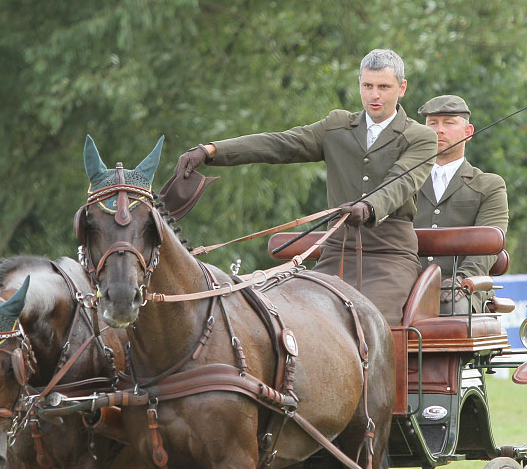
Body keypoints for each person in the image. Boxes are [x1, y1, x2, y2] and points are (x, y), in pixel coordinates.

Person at [175, 49, 437, 325]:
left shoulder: (420, 137)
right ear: (359, 83)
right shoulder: (337, 127)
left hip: (390, 256)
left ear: (402, 88)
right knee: (300, 321)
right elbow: (280, 144)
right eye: (367, 86)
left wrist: (369, 207)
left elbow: (402, 180)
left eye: (384, 87)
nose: (374, 95)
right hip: (337, 252)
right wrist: (212, 150)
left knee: (372, 323)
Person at [412, 95, 508, 313]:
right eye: (432, 123)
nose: (439, 130)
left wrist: (462, 280)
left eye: (449, 122)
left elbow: (487, 247)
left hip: (464, 289)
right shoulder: (406, 183)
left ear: (468, 132)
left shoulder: (488, 186)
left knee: (451, 306)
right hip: (406, 284)